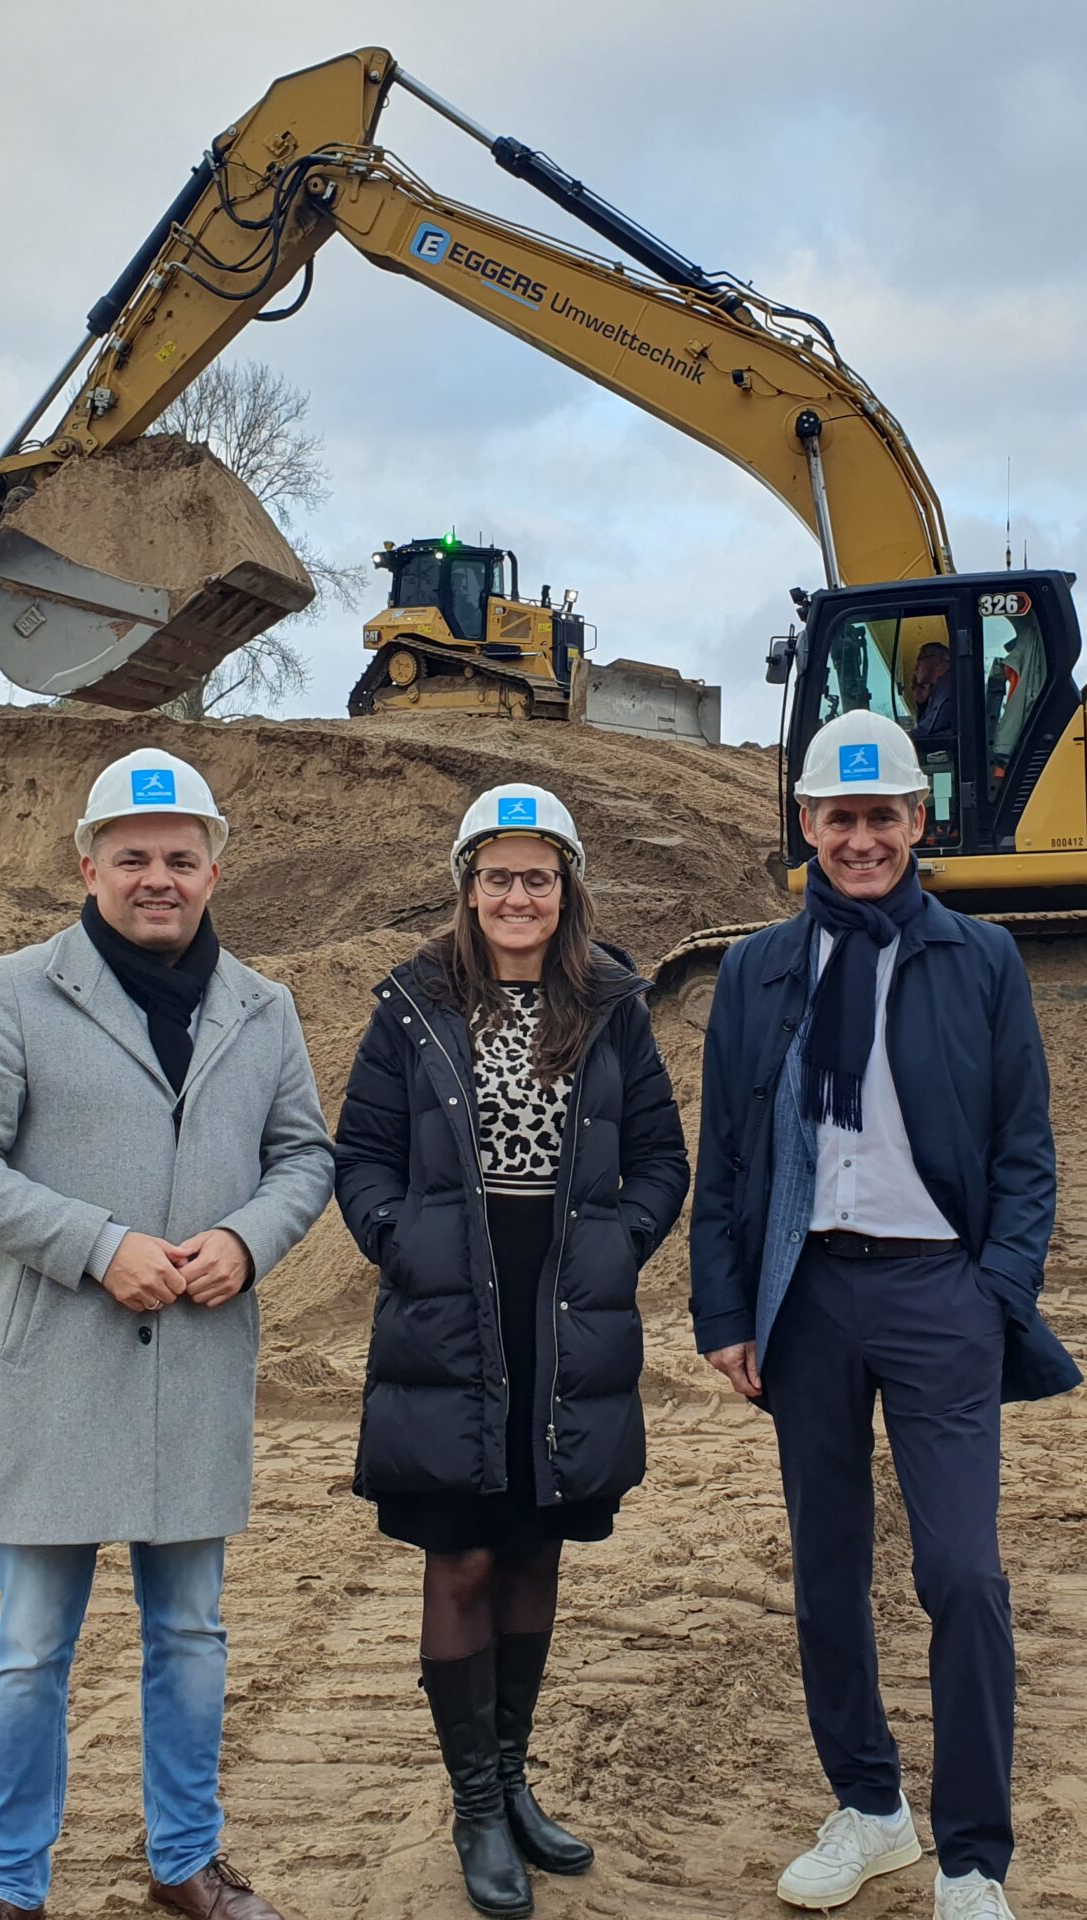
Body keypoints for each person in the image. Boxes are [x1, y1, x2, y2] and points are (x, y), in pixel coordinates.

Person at [0, 747, 335, 1920]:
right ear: (88, 862)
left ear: (214, 869)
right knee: (32, 1649)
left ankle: (185, 1861)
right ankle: (10, 1886)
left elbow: (303, 1156)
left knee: (191, 1634)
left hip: (194, 1372)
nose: (159, 878)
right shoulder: (14, 992)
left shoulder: (265, 1009)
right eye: (134, 856)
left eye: (181, 859)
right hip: (59, 1378)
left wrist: (246, 1241)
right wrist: (97, 1245)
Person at [689, 712, 1080, 1920]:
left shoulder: (981, 960)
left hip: (936, 1296)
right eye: (837, 817)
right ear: (805, 825)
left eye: (882, 816)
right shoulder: (757, 971)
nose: (860, 839)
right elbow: (731, 1163)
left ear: (919, 822)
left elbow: (1025, 1151)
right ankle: (870, 1808)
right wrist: (725, 1310)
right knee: (827, 1572)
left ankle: (971, 1859)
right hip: (804, 1296)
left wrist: (995, 1293)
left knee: (960, 1572)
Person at [334, 782, 691, 1919]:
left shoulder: (614, 1003)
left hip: (565, 1302)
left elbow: (660, 1158)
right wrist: (402, 1242)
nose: (518, 896)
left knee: (536, 1549)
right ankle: (474, 1806)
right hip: (451, 1302)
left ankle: (516, 1778)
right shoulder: (410, 1006)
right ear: (466, 886)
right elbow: (361, 1157)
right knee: (465, 1553)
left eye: (539, 877)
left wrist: (619, 1247)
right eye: (498, 877)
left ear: (566, 887)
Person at [909, 641, 955, 749]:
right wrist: (922, 703)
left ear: (937, 663)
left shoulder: (948, 686)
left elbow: (926, 733)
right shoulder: (938, 689)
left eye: (919, 660)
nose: (916, 668)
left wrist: (897, 737)